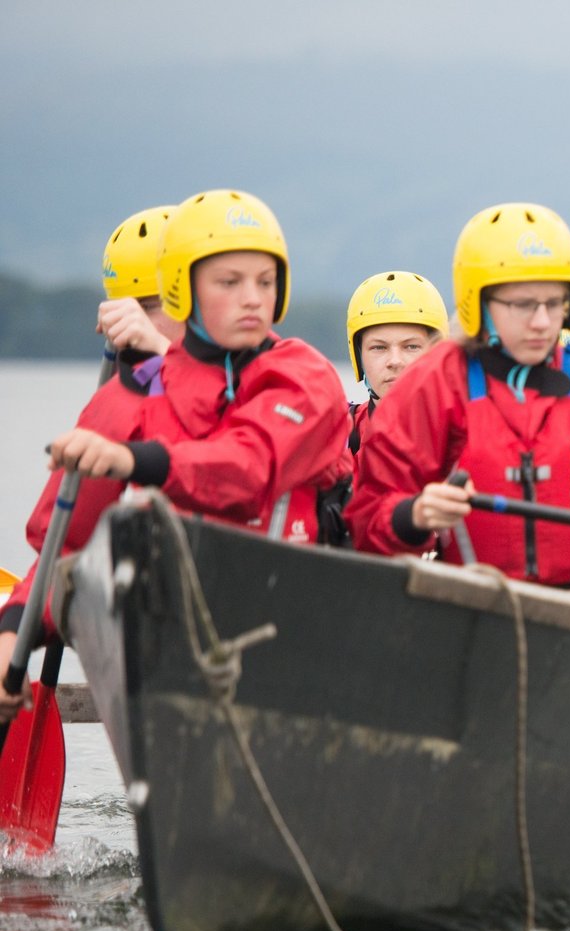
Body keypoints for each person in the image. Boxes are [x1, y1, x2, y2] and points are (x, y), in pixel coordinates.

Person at [3, 188, 353, 715]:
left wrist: (137, 458)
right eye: (229, 283)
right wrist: (11, 638)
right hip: (182, 649)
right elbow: (65, 550)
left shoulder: (303, 376)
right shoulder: (124, 403)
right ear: (186, 291)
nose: (252, 299)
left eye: (262, 282)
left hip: (297, 635)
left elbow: (246, 469)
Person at [345, 203, 570, 598]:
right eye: (522, 304)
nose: (541, 321)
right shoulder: (434, 386)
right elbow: (368, 518)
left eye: (553, 303)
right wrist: (412, 515)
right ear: (478, 302)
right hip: (473, 609)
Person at [344, 271, 448, 453]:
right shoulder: (335, 436)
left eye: (411, 347)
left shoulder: (468, 435)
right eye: (379, 347)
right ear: (359, 357)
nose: (395, 361)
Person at [96, 205, 184, 364]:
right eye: (120, 309)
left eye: (149, 306)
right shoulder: (125, 382)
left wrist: (162, 348)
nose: (133, 322)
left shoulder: (237, 371)